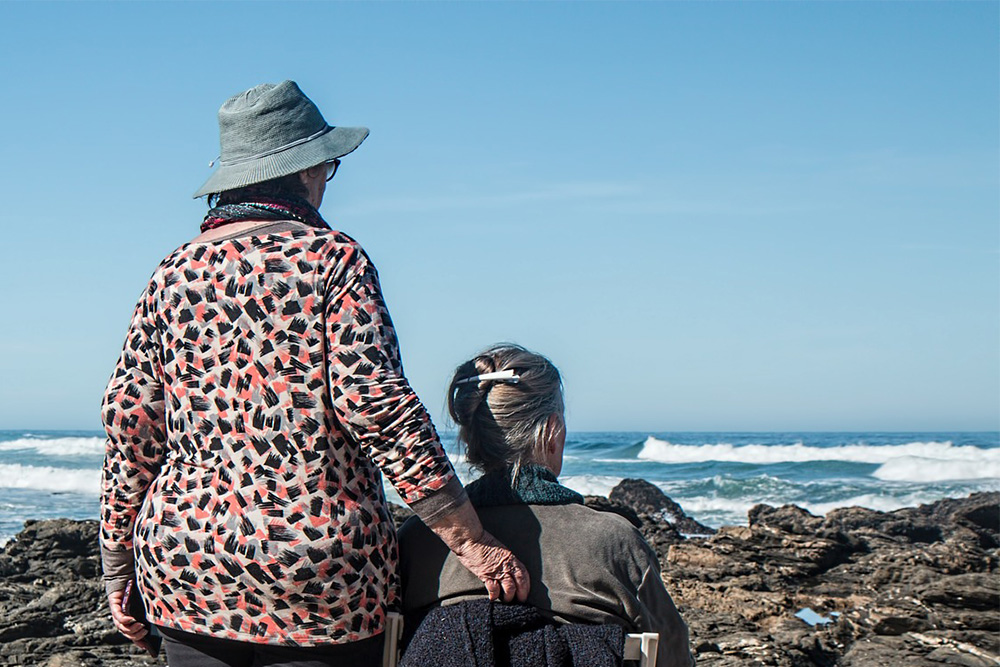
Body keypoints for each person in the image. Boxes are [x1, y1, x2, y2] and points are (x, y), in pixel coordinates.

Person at [100, 80, 528, 667]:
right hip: (323, 579)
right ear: (303, 172)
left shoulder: (172, 273)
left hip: (187, 568)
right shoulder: (334, 260)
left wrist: (118, 564)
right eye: (327, 166)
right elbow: (376, 406)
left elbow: (132, 427)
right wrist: (472, 541)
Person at [398, 344, 694, 667]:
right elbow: (674, 657)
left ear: (470, 438)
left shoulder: (416, 541)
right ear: (552, 432)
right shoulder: (616, 544)